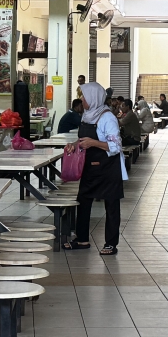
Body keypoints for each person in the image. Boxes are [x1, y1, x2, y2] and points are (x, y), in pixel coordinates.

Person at [64, 82, 126, 256]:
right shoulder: (87, 115)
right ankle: (82, 239)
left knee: (111, 205)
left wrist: (93, 143)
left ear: (94, 98)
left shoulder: (107, 118)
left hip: (108, 168)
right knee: (83, 201)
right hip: (90, 167)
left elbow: (116, 146)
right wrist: (75, 144)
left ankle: (111, 243)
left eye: (84, 96)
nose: (82, 100)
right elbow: (83, 139)